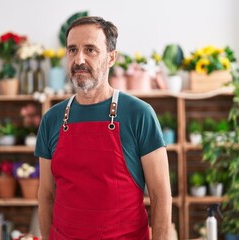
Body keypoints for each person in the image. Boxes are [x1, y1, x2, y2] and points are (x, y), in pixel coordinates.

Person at [35, 16, 172, 240]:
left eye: (90, 50)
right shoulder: (52, 119)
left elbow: (161, 196)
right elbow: (46, 195)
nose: (79, 59)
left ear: (111, 58)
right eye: (72, 50)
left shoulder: (139, 115)